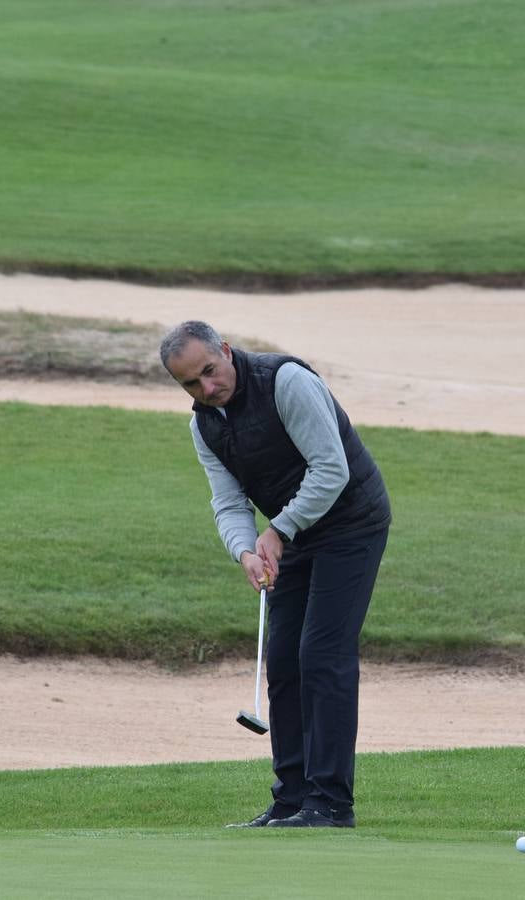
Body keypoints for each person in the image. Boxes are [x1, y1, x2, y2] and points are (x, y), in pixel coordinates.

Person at [159, 321, 392, 829]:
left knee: (322, 654)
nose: (207, 389)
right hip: (295, 534)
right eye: (191, 385)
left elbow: (331, 468)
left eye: (210, 372)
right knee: (284, 658)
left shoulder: (286, 380)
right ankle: (291, 800)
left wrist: (279, 530)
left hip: (351, 522)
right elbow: (227, 501)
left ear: (225, 350)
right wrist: (246, 549)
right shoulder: (205, 425)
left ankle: (330, 804)